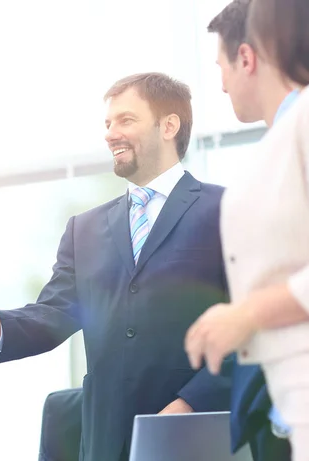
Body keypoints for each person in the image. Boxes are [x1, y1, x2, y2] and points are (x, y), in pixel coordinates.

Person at [0, 72, 232, 461]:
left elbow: (253, 332)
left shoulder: (225, 211)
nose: (111, 133)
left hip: (194, 437)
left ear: (169, 125)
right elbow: (54, 313)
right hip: (104, 441)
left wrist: (189, 405)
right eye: (108, 123)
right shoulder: (85, 229)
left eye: (125, 120)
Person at [185, 0, 309, 460]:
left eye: (221, 67)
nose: (219, 84)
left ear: (248, 58)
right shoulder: (281, 137)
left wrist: (247, 314)